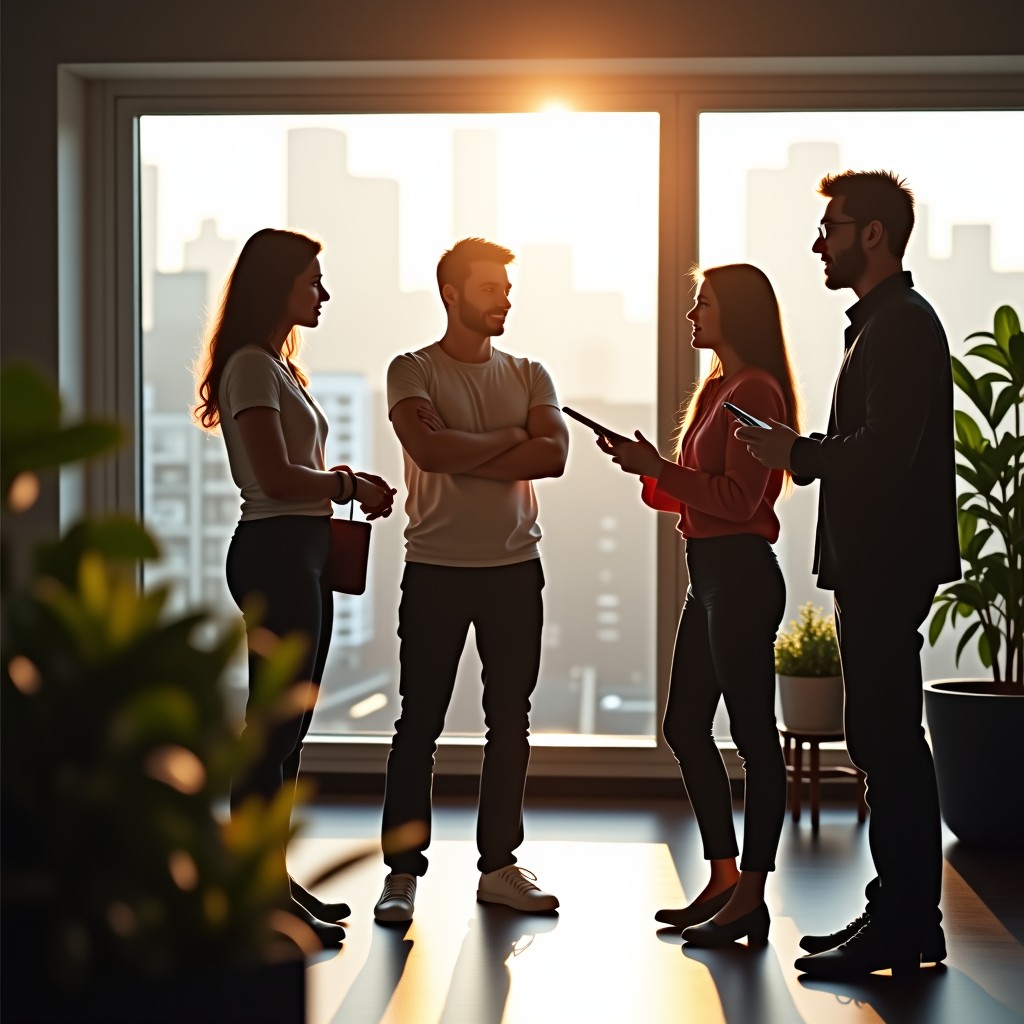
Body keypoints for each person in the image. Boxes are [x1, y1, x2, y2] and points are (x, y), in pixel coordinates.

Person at [738, 170, 960, 978]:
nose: (817, 241)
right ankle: (904, 913)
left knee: (888, 743)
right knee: (882, 738)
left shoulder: (899, 325)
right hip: (880, 564)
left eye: (831, 226)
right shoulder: (884, 322)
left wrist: (793, 454)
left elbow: (886, 451)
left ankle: (903, 921)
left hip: (886, 564)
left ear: (873, 234)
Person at [193, 228, 397, 947]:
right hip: (278, 552)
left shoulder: (275, 368)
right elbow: (276, 479)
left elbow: (290, 473)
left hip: (301, 550)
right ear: (275, 285)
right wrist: (348, 482)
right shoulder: (251, 367)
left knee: (288, 730)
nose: (324, 293)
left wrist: (338, 486)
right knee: (271, 730)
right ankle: (249, 888)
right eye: (312, 279)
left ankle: (271, 882)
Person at [600, 263, 800, 948]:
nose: (691, 313)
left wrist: (663, 471)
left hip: (740, 574)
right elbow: (697, 493)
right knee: (686, 726)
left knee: (752, 737)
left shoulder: (756, 390)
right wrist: (649, 468)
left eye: (703, 302)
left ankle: (751, 893)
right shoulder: (719, 387)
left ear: (736, 313)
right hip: (710, 572)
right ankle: (723, 877)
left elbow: (741, 502)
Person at [372, 237, 568, 924]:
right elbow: (427, 449)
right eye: (491, 287)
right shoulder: (410, 370)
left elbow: (554, 457)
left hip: (515, 568)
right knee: (417, 724)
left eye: (508, 288)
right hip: (434, 568)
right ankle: (401, 874)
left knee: (509, 723)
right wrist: (508, 442)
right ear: (452, 294)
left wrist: (465, 446)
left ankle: (499, 868)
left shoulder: (531, 371)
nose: (505, 298)